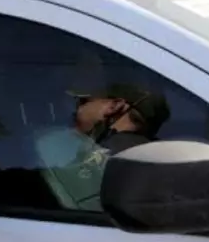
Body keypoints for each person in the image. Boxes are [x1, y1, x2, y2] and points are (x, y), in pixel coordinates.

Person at [36, 83, 170, 211]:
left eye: (83, 102)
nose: (76, 110)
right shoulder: (152, 155)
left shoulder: (109, 155)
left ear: (114, 106)